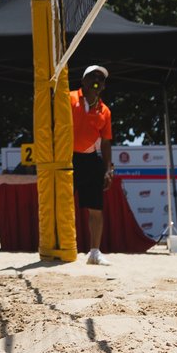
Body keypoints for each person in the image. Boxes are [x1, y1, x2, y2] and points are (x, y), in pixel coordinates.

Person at [71, 64, 113, 265]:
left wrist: (108, 169)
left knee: (96, 208)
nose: (96, 80)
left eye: (101, 78)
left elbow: (105, 142)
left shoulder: (105, 111)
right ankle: (60, 247)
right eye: (92, 76)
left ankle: (94, 252)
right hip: (67, 159)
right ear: (83, 81)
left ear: (103, 86)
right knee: (63, 205)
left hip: (90, 160)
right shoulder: (68, 98)